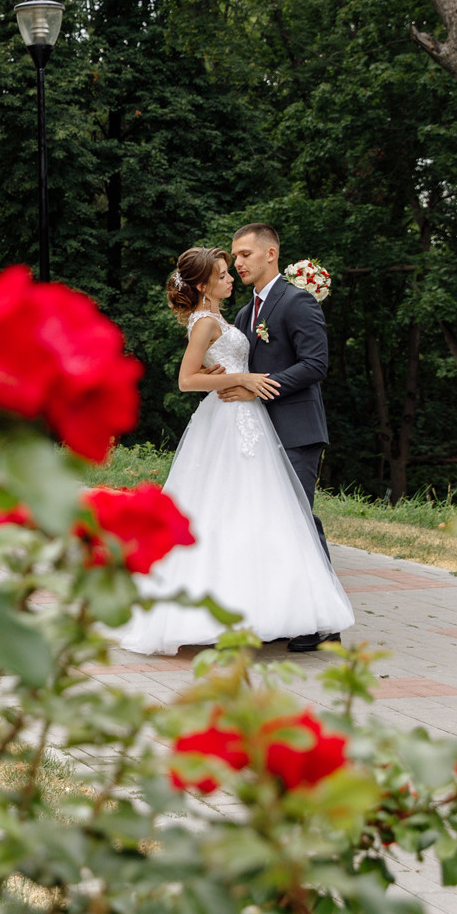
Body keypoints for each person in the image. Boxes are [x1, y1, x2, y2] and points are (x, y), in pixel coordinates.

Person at [117, 245, 354, 657]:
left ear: (270, 252)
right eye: (224, 272)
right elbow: (186, 379)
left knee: (273, 516)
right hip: (230, 422)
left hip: (261, 422)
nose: (232, 275)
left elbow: (313, 364)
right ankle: (265, 615)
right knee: (236, 514)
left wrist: (234, 378)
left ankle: (298, 617)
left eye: (237, 263)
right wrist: (237, 379)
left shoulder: (240, 314)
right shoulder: (215, 320)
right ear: (205, 284)